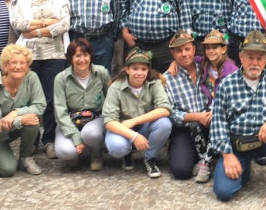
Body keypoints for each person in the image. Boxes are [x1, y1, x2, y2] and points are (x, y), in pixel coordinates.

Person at [210, 31, 266, 205]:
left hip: (265, 142)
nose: (255, 62)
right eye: (250, 57)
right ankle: (243, 170)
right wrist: (228, 155)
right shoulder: (226, 85)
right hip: (237, 146)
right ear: (241, 57)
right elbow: (218, 124)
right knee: (223, 192)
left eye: (260, 58)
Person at [10, 0, 70, 159]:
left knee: (51, 99)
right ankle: (31, 141)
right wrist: (47, 23)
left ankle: (50, 140)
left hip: (54, 55)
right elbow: (18, 24)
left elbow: (64, 24)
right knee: (29, 99)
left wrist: (34, 29)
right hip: (29, 56)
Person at [103, 47, 173, 178]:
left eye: (143, 69)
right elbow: (109, 121)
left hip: (143, 126)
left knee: (165, 124)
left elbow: (165, 108)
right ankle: (127, 153)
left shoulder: (155, 83)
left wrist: (134, 121)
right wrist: (134, 136)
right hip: (122, 128)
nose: (139, 73)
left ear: (148, 70)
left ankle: (149, 158)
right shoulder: (116, 86)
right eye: (135, 68)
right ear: (127, 69)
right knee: (117, 147)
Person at [0, 44, 47, 177]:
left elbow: (40, 105)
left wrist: (15, 113)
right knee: (7, 170)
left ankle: (25, 157)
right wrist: (20, 120)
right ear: (5, 66)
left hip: (15, 128)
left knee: (33, 120)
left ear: (27, 66)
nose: (18, 66)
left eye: (23, 62)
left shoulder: (32, 78)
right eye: (13, 62)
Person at [164, 31, 214, 182]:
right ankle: (196, 154)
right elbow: (170, 112)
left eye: (187, 49)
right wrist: (194, 117)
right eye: (178, 51)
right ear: (173, 53)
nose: (184, 54)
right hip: (185, 127)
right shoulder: (167, 78)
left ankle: (207, 158)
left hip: (209, 122)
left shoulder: (207, 67)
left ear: (194, 49)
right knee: (181, 171)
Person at [53, 38, 111, 171]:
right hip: (70, 120)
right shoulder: (61, 79)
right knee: (65, 152)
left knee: (91, 134)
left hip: (96, 119)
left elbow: (110, 100)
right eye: (77, 55)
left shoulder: (102, 73)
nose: (82, 59)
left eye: (85, 55)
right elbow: (60, 111)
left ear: (90, 56)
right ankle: (76, 153)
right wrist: (74, 136)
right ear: (70, 58)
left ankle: (96, 154)